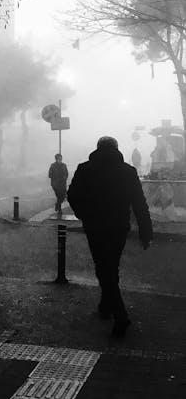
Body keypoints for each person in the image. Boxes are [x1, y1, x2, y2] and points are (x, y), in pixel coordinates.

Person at [67, 136, 152, 337]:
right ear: (117, 149)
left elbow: (72, 195)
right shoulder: (128, 171)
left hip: (95, 226)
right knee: (111, 266)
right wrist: (145, 231)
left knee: (103, 267)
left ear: (97, 148)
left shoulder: (85, 169)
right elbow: (139, 203)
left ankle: (119, 314)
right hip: (119, 227)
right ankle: (106, 306)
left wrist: (84, 214)